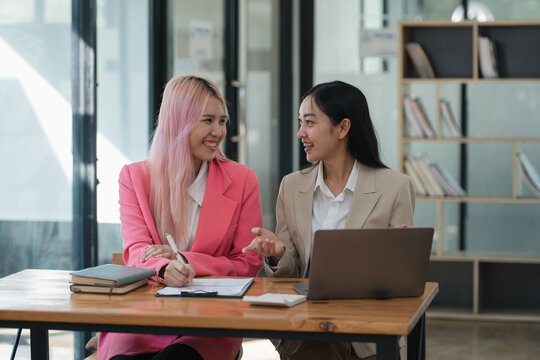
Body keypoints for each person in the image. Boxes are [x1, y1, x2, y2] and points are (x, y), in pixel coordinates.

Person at [242, 80, 415, 360]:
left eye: (310, 122)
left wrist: (399, 259)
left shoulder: (395, 187)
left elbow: (401, 283)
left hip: (364, 333)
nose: (300, 133)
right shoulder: (292, 187)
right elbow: (290, 273)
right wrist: (278, 254)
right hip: (306, 330)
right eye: (300, 122)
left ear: (343, 128)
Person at [98, 75, 263, 360]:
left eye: (222, 121)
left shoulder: (242, 179)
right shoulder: (135, 177)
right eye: (207, 120)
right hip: (145, 319)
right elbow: (136, 251)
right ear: (178, 122)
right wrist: (164, 268)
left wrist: (185, 260)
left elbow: (248, 262)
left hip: (210, 323)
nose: (218, 131)